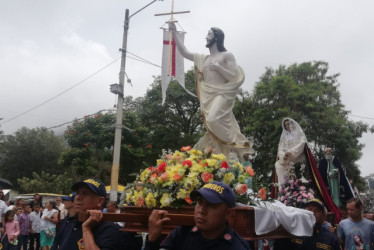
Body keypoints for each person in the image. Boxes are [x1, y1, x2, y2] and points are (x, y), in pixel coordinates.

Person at [168, 22, 253, 158]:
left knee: (213, 119)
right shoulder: (203, 59)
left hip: (222, 93)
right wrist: (175, 32)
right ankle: (221, 156)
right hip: (207, 96)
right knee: (211, 126)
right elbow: (184, 52)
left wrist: (220, 68)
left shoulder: (227, 55)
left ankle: (234, 143)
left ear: (217, 38)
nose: (206, 37)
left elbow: (233, 77)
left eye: (209, 34)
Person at [145, 181, 251, 250]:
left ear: (228, 213)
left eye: (211, 205)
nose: (201, 210)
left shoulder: (236, 246)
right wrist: (152, 240)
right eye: (199, 202)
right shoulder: (183, 233)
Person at [52, 179, 122, 250]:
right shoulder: (70, 222)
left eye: (85, 193)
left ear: (100, 201)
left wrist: (86, 229)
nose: (78, 197)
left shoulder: (109, 228)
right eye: (77, 193)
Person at [274, 199, 340, 250]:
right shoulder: (292, 233)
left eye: (317, 210)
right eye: (310, 209)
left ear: (322, 215)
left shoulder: (330, 238)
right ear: (303, 211)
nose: (313, 213)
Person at [274, 118, 308, 187]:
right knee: (277, 164)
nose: (287, 126)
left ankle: (295, 186)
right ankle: (284, 189)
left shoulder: (298, 132)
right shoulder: (284, 136)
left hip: (298, 157)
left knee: (296, 167)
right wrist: (284, 155)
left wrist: (291, 152)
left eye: (288, 124)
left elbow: (303, 142)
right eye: (285, 125)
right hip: (287, 159)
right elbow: (280, 148)